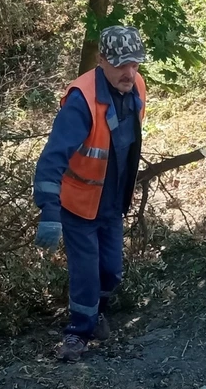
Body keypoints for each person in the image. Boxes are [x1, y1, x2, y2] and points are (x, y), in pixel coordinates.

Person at [33, 26, 147, 362]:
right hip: (79, 205)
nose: (129, 72)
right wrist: (50, 211)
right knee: (86, 272)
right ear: (101, 61)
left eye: (135, 64)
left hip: (112, 201)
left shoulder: (137, 86)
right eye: (121, 65)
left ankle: (96, 313)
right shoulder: (81, 101)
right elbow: (51, 159)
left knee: (111, 271)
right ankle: (77, 334)